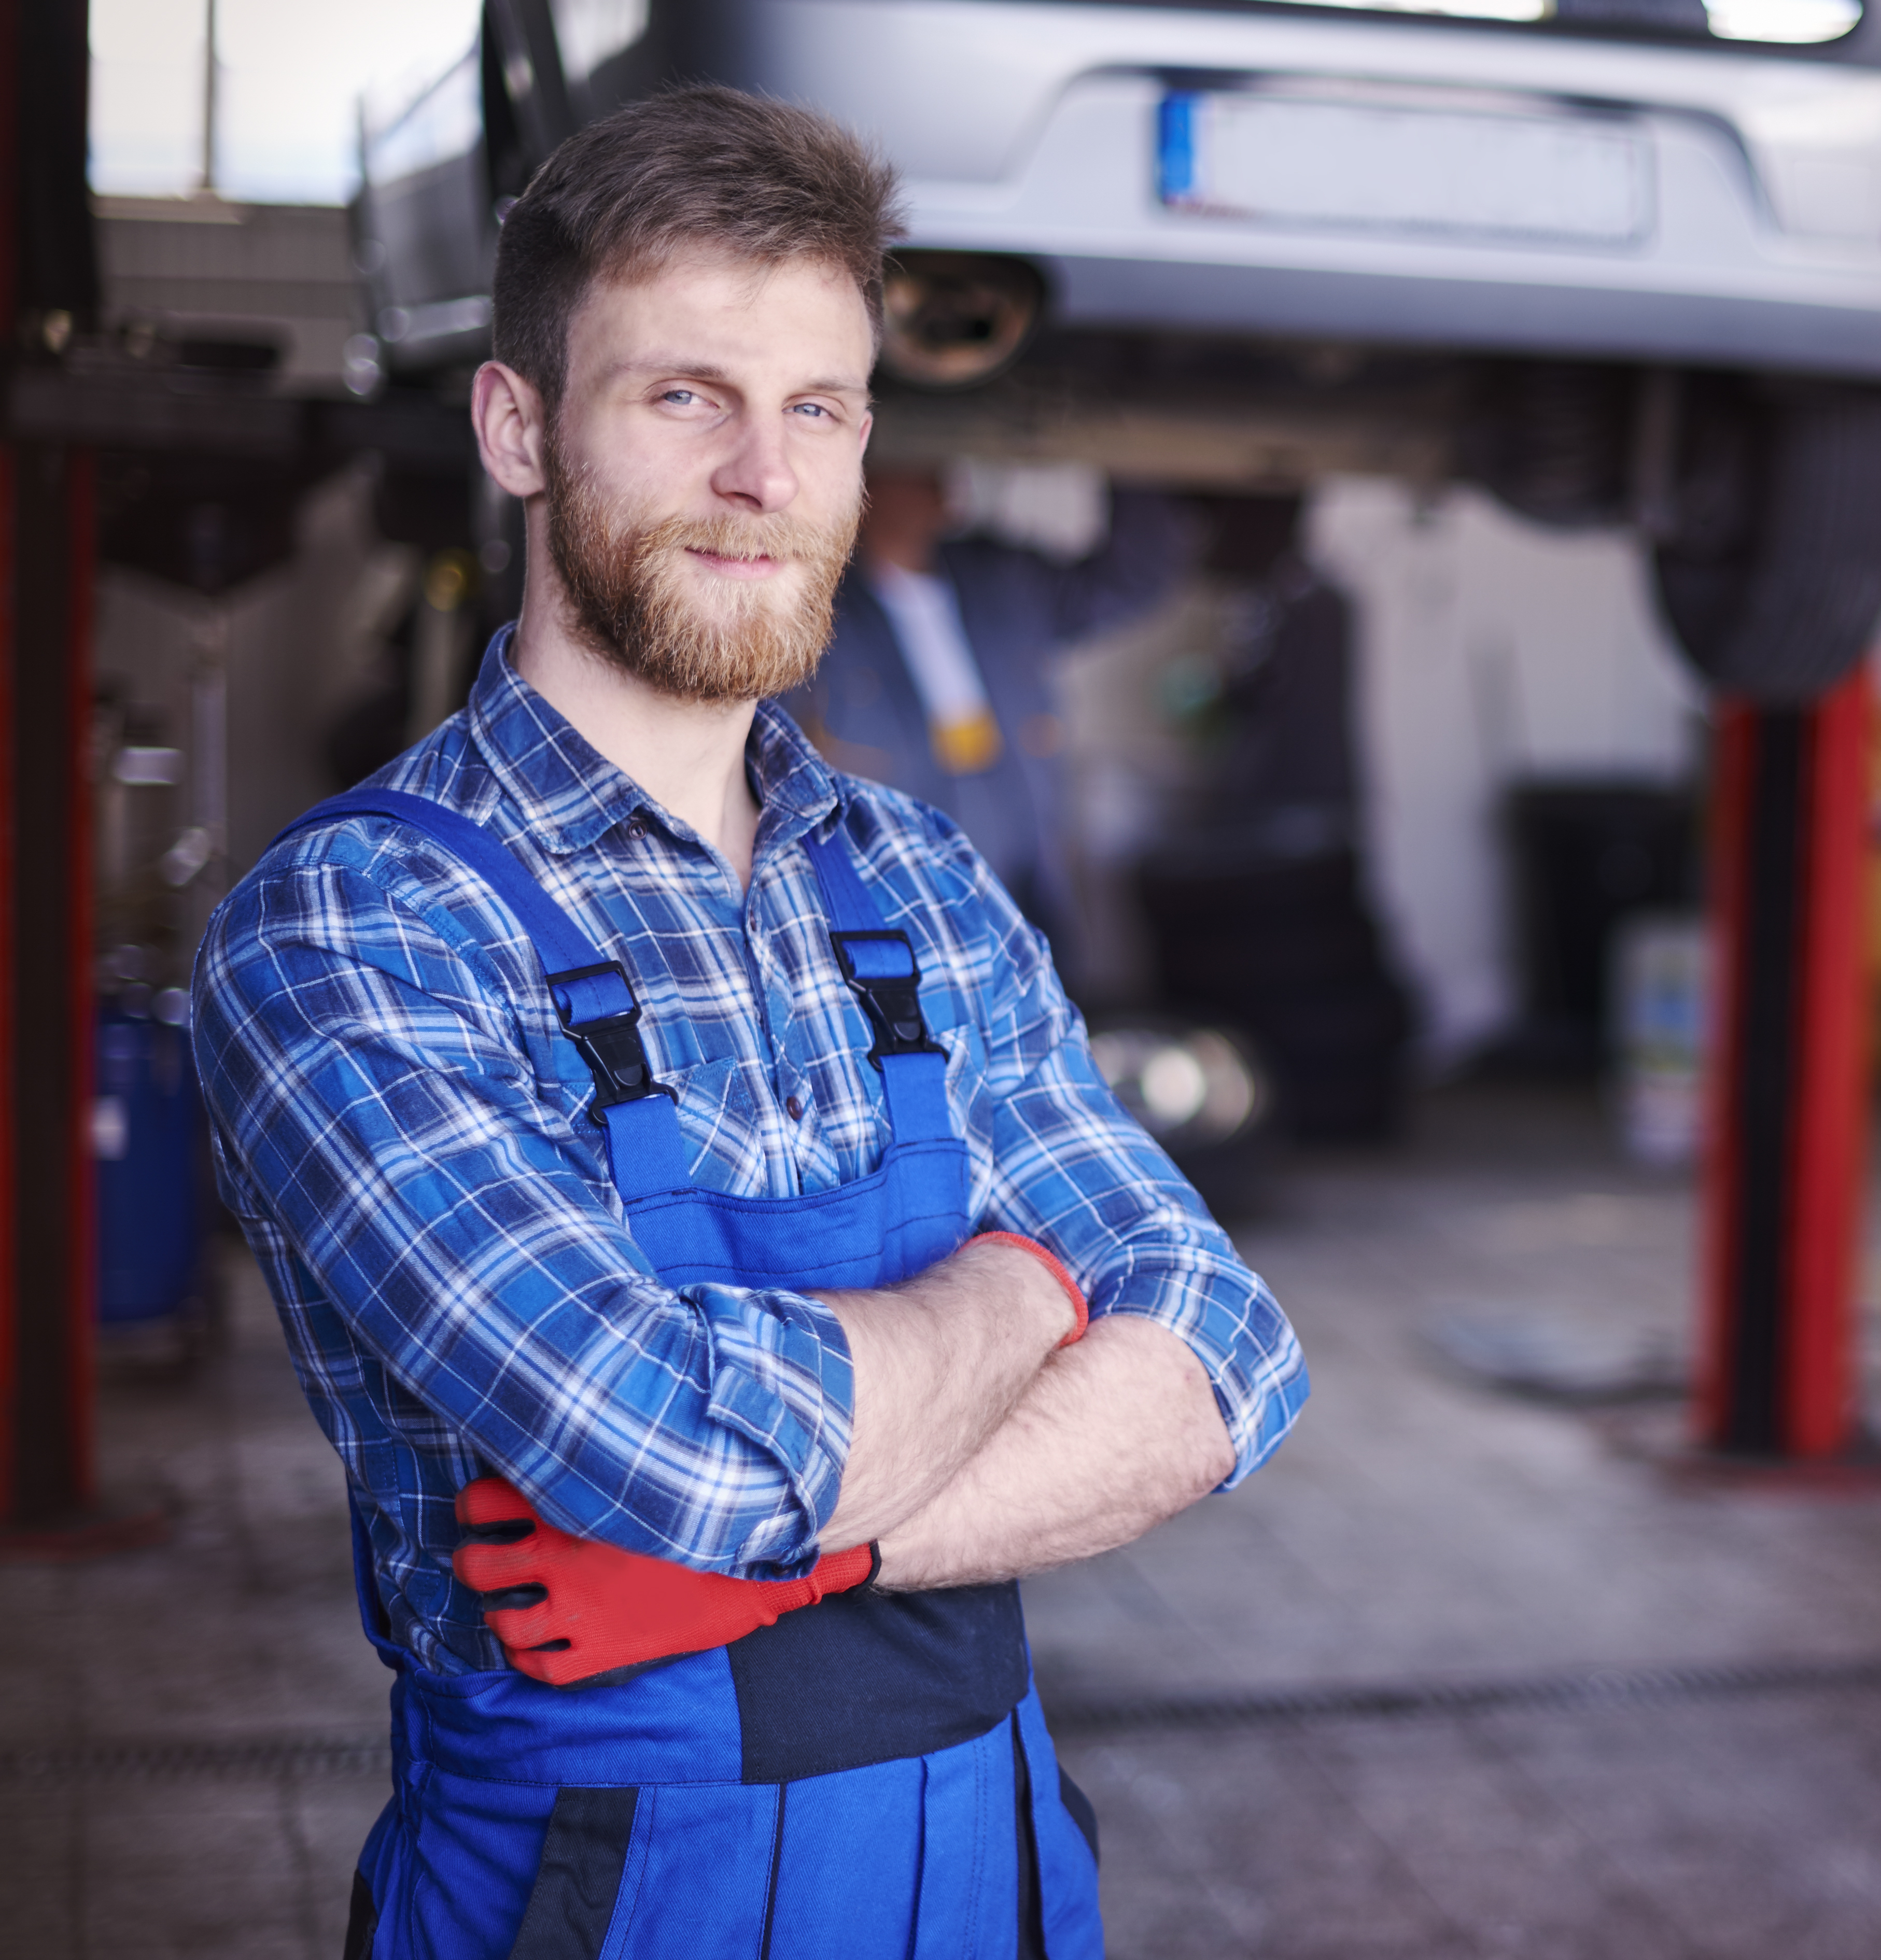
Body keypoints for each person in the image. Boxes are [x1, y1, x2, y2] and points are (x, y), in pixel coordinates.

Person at [191, 87, 1305, 1960]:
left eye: (818, 409)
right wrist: (1023, 1291)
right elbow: (684, 1456)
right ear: (519, 424)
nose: (763, 477)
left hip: (996, 1886)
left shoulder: (923, 883)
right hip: (603, 1899)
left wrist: (830, 1547)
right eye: (683, 395)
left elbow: (1225, 1359)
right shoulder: (353, 926)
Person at [782, 466, 1191, 942]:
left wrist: (1131, 454)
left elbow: (1132, 578)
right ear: (858, 481)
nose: (939, 475)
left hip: (1025, 847)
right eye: (912, 461)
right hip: (899, 876)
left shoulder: (999, 576)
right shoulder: (812, 607)